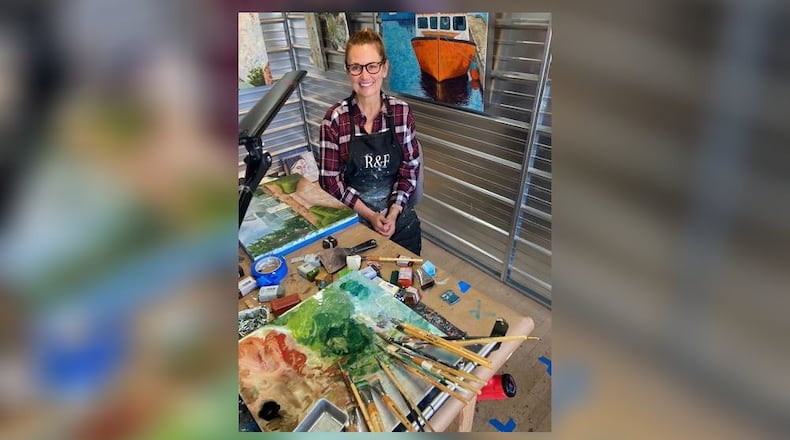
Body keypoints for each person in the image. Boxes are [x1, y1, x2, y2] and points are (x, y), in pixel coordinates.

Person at [319, 28, 422, 255]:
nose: (365, 76)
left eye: (372, 66)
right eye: (356, 67)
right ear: (348, 71)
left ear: (384, 68)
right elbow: (330, 181)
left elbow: (410, 169)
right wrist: (370, 215)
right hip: (356, 223)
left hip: (400, 221)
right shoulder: (335, 120)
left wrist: (393, 212)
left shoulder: (401, 113)